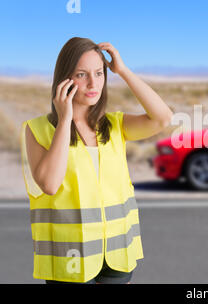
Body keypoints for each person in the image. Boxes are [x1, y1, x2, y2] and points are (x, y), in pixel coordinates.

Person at [20, 37, 173, 283]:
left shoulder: (113, 125)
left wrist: (122, 71)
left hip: (117, 254)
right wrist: (65, 119)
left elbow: (163, 118)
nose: (93, 83)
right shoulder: (37, 129)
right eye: (82, 74)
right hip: (71, 260)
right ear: (64, 80)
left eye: (99, 73)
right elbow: (49, 184)